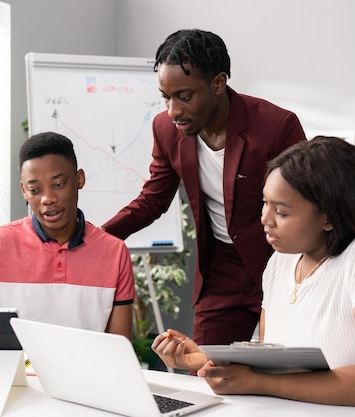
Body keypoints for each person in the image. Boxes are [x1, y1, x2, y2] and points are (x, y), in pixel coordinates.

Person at [151, 136, 355, 408]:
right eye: (265, 203)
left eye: (282, 212)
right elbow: (272, 358)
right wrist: (202, 357)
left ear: (328, 217)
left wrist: (258, 382)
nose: (265, 219)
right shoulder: (281, 262)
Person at [101, 29, 307, 345]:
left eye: (184, 96)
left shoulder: (276, 127)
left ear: (218, 83)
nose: (173, 111)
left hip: (281, 259)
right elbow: (153, 200)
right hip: (221, 269)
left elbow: (306, 203)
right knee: (208, 372)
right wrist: (97, 238)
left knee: (283, 371)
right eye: (166, 97)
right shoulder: (165, 129)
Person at [0, 132, 135, 340]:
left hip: (83, 372)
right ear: (24, 191)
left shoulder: (115, 252)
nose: (48, 199)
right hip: (14, 372)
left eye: (59, 185)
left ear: (79, 179)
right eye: (35, 190)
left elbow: (119, 346)